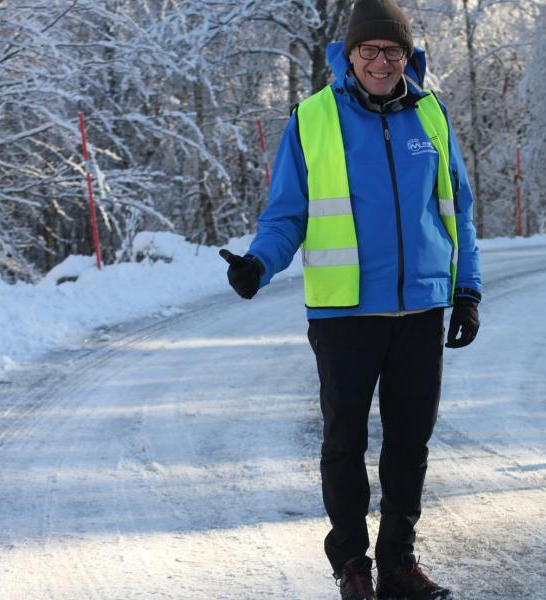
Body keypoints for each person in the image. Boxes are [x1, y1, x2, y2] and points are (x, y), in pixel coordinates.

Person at [219, 1, 481, 598]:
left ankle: (397, 565)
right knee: (345, 443)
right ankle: (352, 566)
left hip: (419, 310)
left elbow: (457, 211)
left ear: (407, 55)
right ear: (351, 56)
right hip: (344, 314)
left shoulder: (432, 114)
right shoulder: (312, 119)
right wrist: (259, 263)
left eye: (392, 51)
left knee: (410, 443)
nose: (381, 62)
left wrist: (466, 290)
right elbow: (288, 213)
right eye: (370, 51)